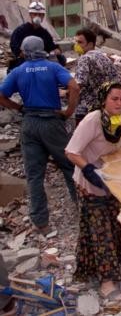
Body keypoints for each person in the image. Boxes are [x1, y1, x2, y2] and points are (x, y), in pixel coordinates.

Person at [65, 81, 121, 299]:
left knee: (119, 224)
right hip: (90, 184)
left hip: (113, 182)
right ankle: (107, 282)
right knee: (100, 231)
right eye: (114, 99)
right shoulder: (92, 121)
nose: (119, 103)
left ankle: (119, 265)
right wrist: (88, 170)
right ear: (104, 99)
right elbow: (71, 151)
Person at [0, 36, 79, 234]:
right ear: (42, 49)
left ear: (24, 51)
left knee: (34, 175)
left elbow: (1, 95)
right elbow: (74, 86)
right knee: (69, 165)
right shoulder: (52, 67)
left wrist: (18, 108)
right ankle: (82, 208)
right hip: (51, 121)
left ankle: (41, 222)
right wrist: (69, 111)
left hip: (29, 123)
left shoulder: (18, 71)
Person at [74, 28, 118, 124]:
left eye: (80, 42)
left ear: (90, 44)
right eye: (76, 42)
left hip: (86, 111)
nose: (76, 45)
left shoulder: (85, 59)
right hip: (105, 109)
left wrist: (65, 92)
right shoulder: (105, 58)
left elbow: (78, 84)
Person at [8, 1, 65, 73]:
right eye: (35, 14)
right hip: (25, 63)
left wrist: (57, 50)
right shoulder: (20, 31)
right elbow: (15, 47)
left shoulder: (44, 33)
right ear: (30, 15)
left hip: (42, 63)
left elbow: (52, 47)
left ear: (43, 16)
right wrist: (26, 55)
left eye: (40, 14)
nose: (37, 16)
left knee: (61, 61)